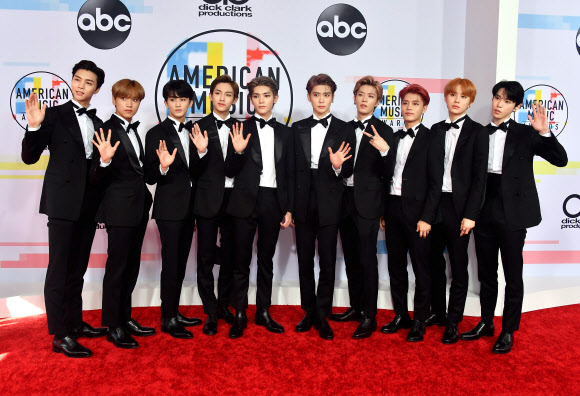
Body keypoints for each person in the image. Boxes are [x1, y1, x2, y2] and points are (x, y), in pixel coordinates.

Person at [463, 81, 567, 354]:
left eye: (506, 101)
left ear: (516, 106)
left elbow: (561, 160)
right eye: (497, 98)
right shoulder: (478, 133)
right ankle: (486, 322)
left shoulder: (526, 133)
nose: (499, 104)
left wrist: (545, 132)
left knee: (513, 274)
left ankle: (508, 330)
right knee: (486, 273)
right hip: (484, 210)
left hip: (513, 213)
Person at [21, 60, 107, 358]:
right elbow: (30, 157)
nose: (81, 85)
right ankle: (60, 335)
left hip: (87, 205)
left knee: (77, 269)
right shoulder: (54, 115)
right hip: (61, 203)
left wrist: (105, 162)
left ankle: (74, 322)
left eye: (88, 82)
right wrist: (33, 126)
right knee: (59, 269)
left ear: (97, 89)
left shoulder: (98, 123)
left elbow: (95, 170)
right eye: (77, 79)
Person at [226, 76, 294, 339]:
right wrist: (239, 151)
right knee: (241, 261)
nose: (261, 101)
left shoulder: (287, 133)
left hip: (273, 201)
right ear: (250, 99)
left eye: (266, 95)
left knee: (266, 260)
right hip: (244, 201)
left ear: (275, 98)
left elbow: (289, 174)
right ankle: (240, 313)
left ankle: (263, 311)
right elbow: (229, 170)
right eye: (256, 96)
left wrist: (288, 208)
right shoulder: (240, 128)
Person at [91, 79, 154, 349]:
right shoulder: (106, 130)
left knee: (130, 267)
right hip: (118, 209)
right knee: (117, 269)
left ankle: (125, 318)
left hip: (138, 207)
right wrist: (104, 160)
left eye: (135, 100)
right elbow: (96, 175)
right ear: (114, 100)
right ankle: (113, 326)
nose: (129, 104)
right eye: (124, 98)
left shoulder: (133, 130)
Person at [329, 76, 393, 339]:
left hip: (368, 204)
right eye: (361, 94)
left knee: (368, 261)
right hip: (343, 202)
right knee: (352, 259)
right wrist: (335, 166)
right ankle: (356, 308)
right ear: (354, 97)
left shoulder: (384, 131)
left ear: (377, 102)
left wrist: (386, 151)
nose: (364, 99)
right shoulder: (342, 128)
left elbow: (390, 174)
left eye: (370, 96)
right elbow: (338, 166)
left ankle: (370, 315)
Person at [144, 80, 208, 339]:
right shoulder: (155, 133)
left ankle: (175, 311)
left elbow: (202, 173)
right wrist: (163, 167)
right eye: (172, 99)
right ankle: (167, 317)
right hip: (169, 210)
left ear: (191, 102)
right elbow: (149, 176)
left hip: (191, 209)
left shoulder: (197, 131)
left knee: (181, 264)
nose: (178, 103)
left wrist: (202, 152)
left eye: (183, 99)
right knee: (171, 264)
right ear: (166, 103)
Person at [293, 74, 355, 340]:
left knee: (328, 262)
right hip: (303, 202)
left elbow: (350, 169)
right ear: (309, 96)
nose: (321, 99)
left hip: (331, 203)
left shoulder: (344, 128)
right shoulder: (297, 128)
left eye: (326, 95)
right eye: (316, 94)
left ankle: (323, 313)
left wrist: (339, 165)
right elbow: (291, 171)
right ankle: (309, 311)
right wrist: (290, 207)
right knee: (305, 262)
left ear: (332, 97)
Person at [380, 84, 445, 342]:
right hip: (394, 209)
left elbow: (435, 183)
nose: (409, 107)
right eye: (405, 103)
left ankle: (419, 319)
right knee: (395, 266)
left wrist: (427, 217)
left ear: (425, 108)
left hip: (419, 215)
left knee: (421, 268)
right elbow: (388, 177)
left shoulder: (433, 139)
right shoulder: (394, 138)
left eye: (415, 103)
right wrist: (385, 211)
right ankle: (400, 316)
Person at [427, 78, 489, 344]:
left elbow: (479, 179)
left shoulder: (478, 132)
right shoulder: (435, 129)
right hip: (433, 204)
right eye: (452, 94)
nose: (456, 100)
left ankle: (453, 321)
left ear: (470, 101)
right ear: (446, 97)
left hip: (460, 209)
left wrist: (471, 214)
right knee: (433, 262)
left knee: (459, 266)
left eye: (463, 97)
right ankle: (438, 313)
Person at [193, 75, 240, 335]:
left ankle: (224, 305)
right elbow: (193, 170)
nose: (222, 98)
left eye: (228, 94)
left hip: (234, 202)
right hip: (207, 201)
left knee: (230, 258)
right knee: (206, 258)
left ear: (234, 99)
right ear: (210, 96)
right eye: (218, 93)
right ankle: (210, 311)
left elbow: (238, 169)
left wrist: (241, 151)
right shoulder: (198, 127)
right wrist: (200, 151)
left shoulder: (241, 128)